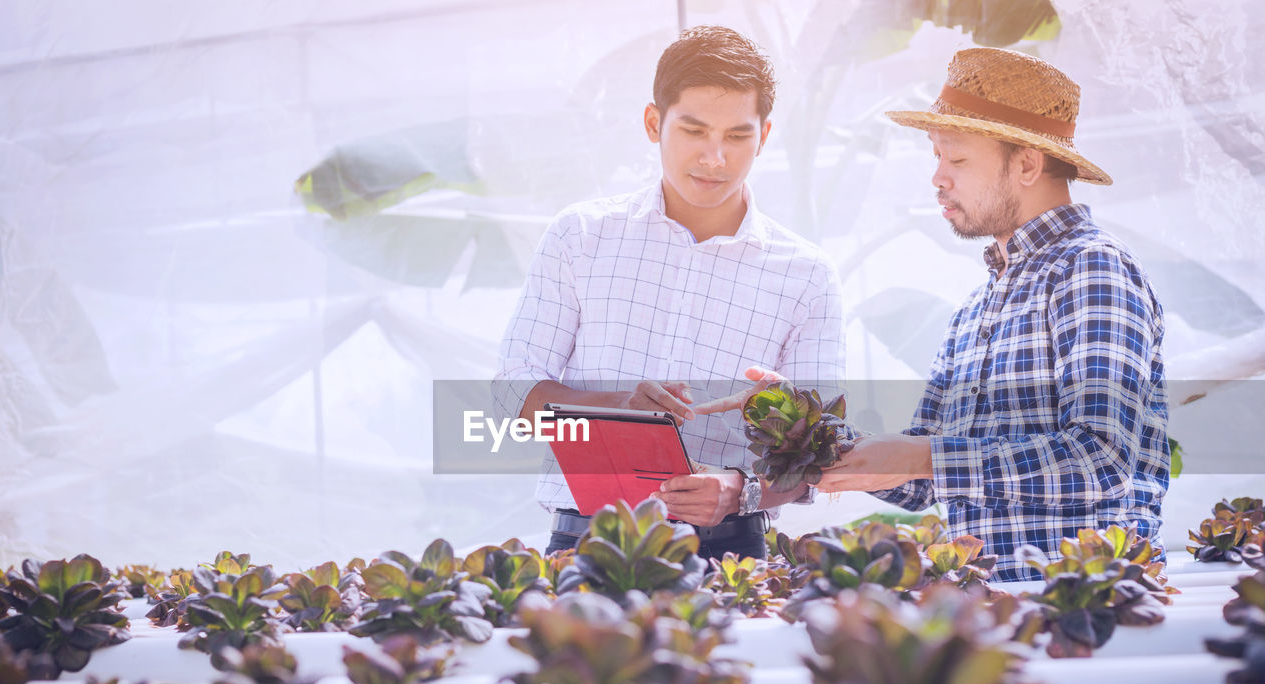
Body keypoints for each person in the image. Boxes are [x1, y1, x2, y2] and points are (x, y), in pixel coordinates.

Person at [817, 47, 1169, 581]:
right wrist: (802, 425)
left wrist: (927, 457)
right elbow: (918, 478)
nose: (937, 177)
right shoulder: (975, 309)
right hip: (990, 615)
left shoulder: (1091, 269)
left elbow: (1103, 461)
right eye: (935, 157)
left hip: (1083, 606)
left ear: (1026, 163)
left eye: (956, 159)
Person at [493, 26, 844, 559]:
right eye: (694, 130)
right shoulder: (582, 236)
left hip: (731, 550)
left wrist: (738, 489)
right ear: (654, 123)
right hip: (586, 538)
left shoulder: (807, 276)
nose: (715, 157)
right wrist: (615, 408)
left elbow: (817, 451)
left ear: (765, 135)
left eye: (737, 136)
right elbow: (510, 394)